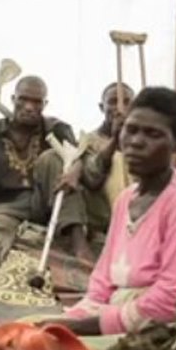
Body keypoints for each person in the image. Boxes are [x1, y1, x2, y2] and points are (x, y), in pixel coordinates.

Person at [47, 88, 176, 336]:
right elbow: (101, 285)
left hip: (166, 330)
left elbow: (174, 299)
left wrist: (82, 327)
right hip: (120, 318)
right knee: (23, 334)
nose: (136, 141)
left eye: (153, 134)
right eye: (131, 129)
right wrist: (69, 320)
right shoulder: (126, 200)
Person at [0, 75, 82, 271]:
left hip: (48, 200)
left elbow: (77, 158)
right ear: (13, 99)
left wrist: (74, 173)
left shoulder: (57, 129)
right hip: (8, 204)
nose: (29, 107)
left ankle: (79, 243)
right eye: (23, 100)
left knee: (55, 160)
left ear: (44, 105)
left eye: (36, 102)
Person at [71, 82, 136, 237]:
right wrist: (114, 141)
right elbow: (92, 178)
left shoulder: (144, 140)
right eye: (113, 102)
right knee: (117, 160)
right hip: (103, 216)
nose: (119, 108)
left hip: (140, 213)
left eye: (126, 102)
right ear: (102, 107)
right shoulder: (88, 141)